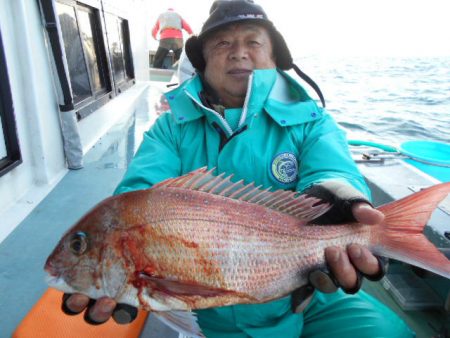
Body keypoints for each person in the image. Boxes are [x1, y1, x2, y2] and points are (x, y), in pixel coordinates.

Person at [62, 1, 414, 337]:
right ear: (203, 62)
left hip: (308, 290)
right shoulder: (171, 128)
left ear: (274, 58)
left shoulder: (312, 122)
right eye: (222, 43)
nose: (238, 51)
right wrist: (112, 259)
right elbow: (138, 196)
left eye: (252, 41)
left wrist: (339, 195)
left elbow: (332, 172)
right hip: (205, 309)